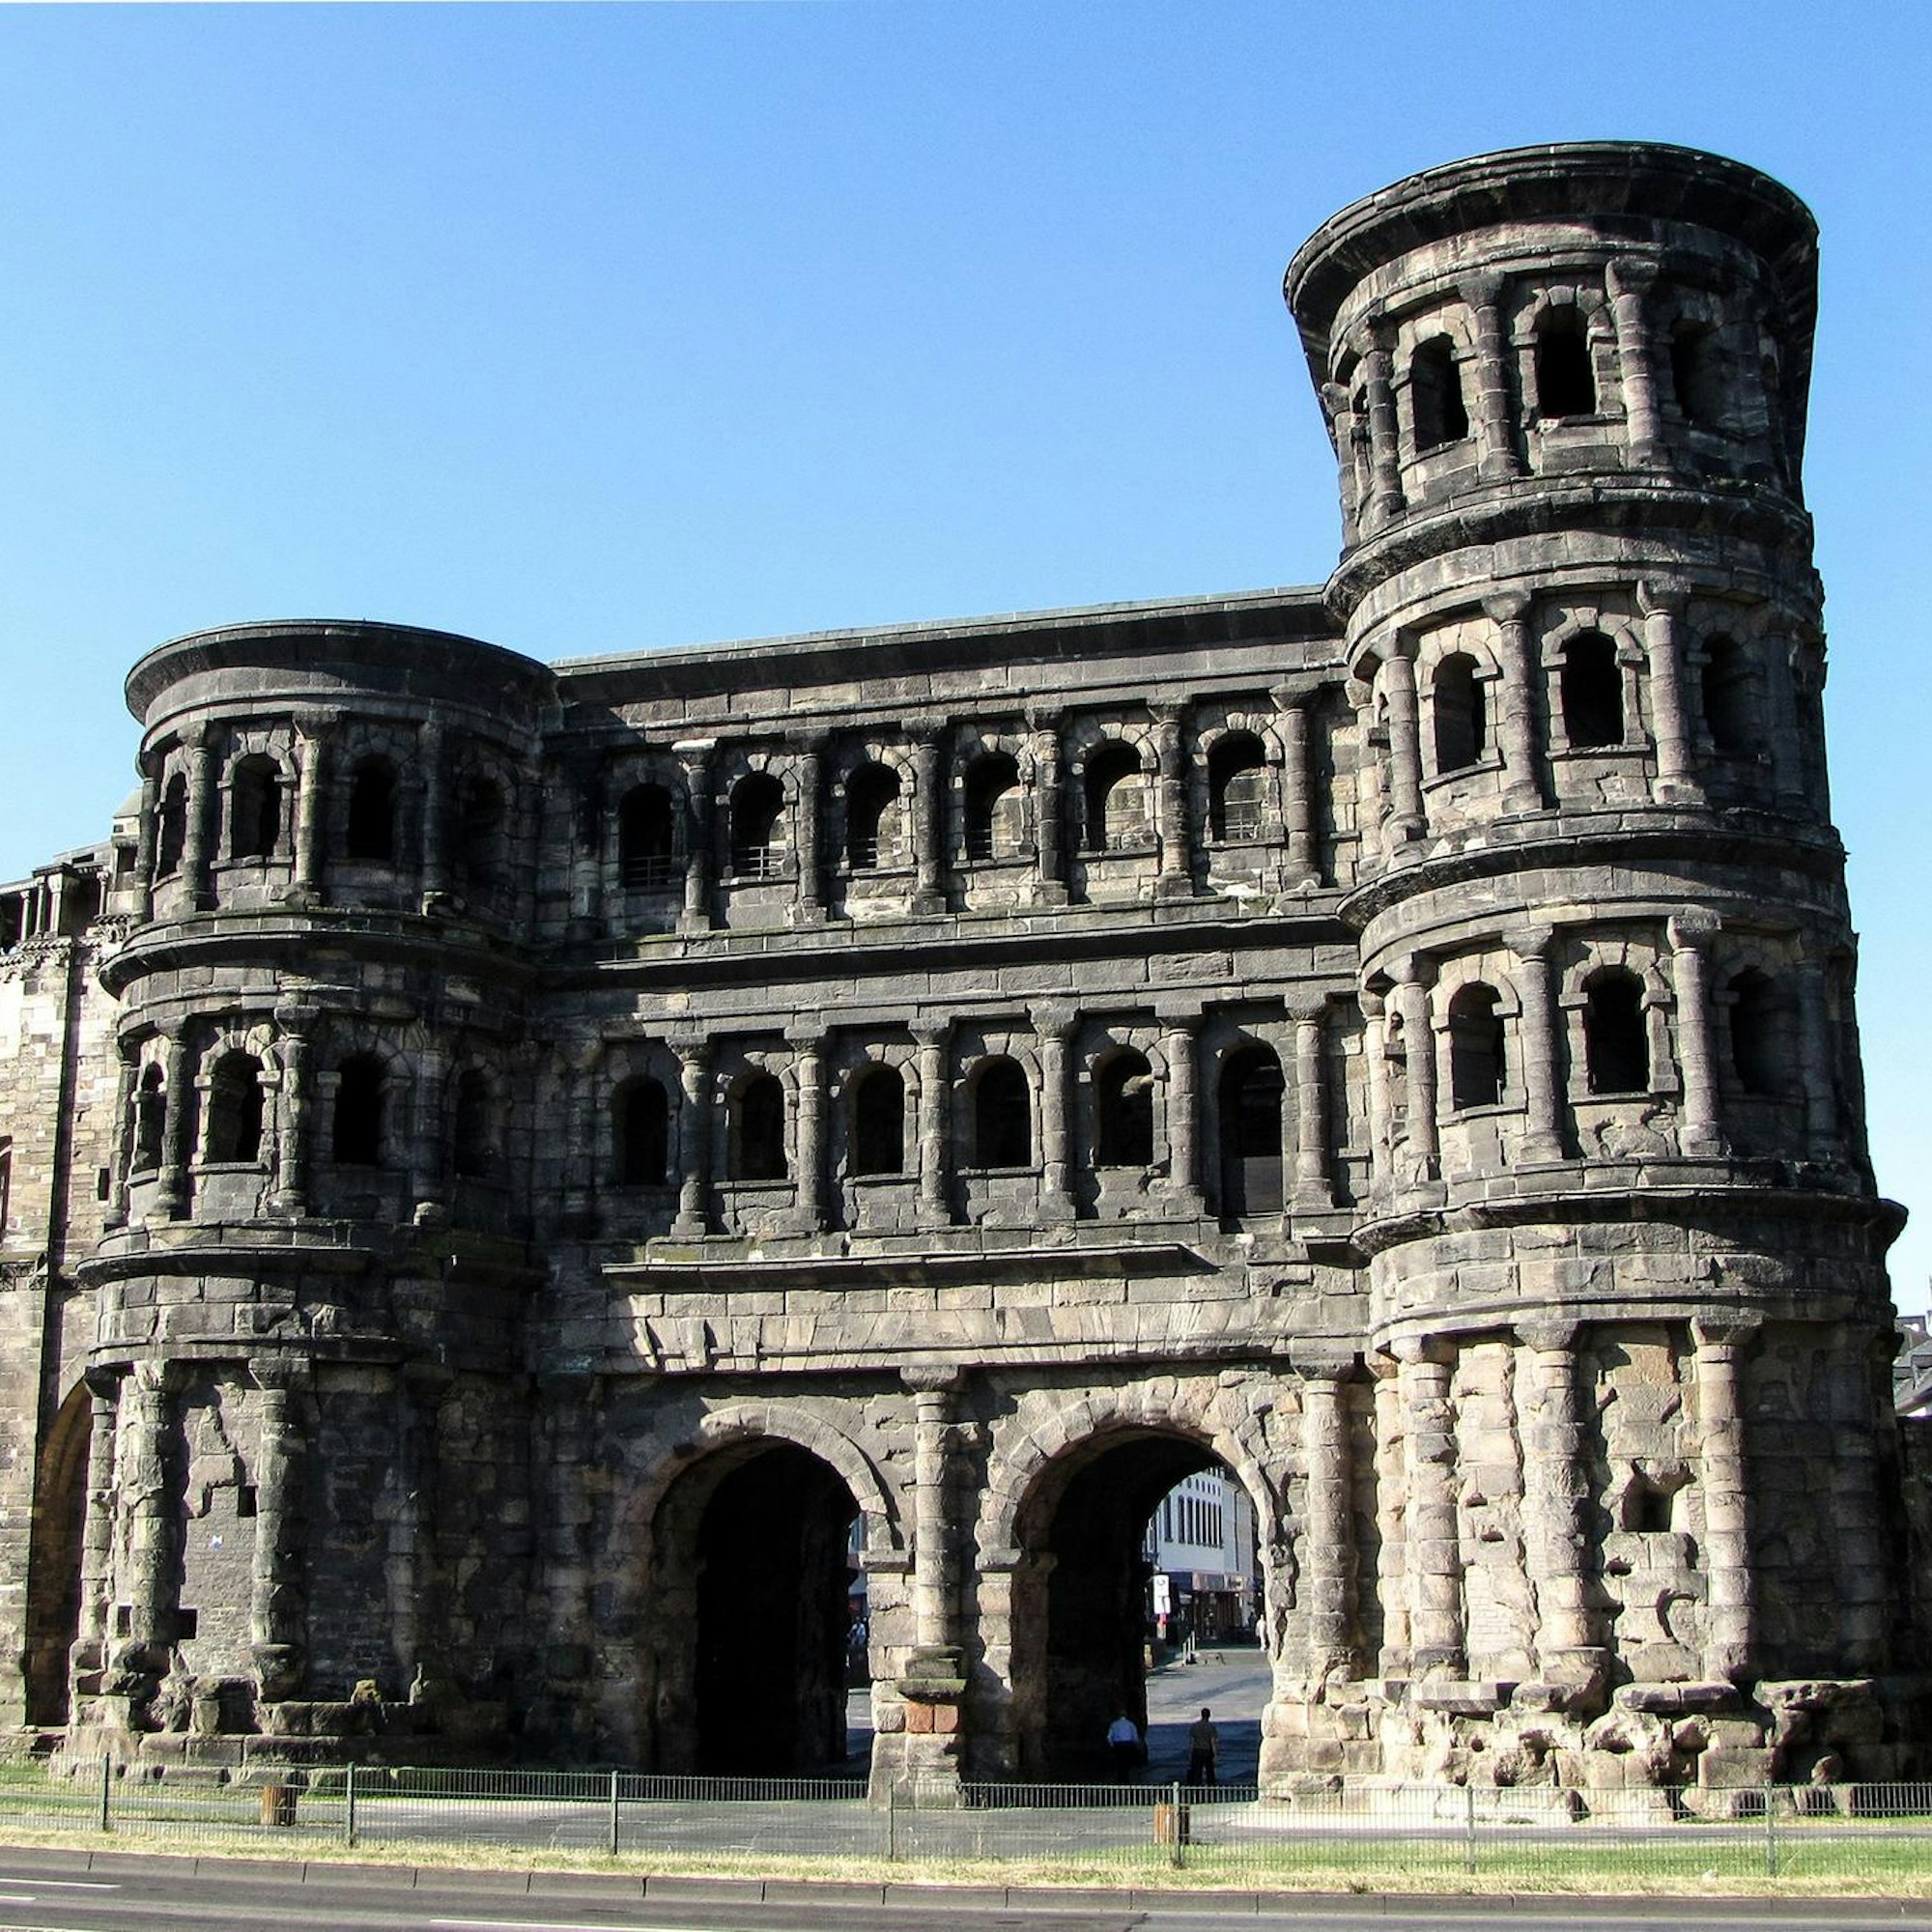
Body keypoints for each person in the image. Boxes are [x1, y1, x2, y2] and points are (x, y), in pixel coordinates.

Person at [1185, 1706, 1218, 1786]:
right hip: (1207, 1751)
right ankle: (1211, 1787)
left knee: (1197, 1771)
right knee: (1210, 1771)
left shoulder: (1195, 1726)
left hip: (1197, 1751)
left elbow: (1192, 1741)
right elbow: (1213, 1741)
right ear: (1209, 1715)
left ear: (1201, 1715)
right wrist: (1215, 1754)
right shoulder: (1211, 1727)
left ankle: (1197, 1787)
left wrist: (1190, 1753)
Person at [1105, 1708, 1141, 1779]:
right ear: (1126, 1715)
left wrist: (1112, 1745)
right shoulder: (1130, 1724)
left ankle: (1120, 1778)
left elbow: (1109, 1737)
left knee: (1119, 1762)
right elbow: (1135, 1736)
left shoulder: (1114, 1724)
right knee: (1127, 1762)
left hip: (1117, 1745)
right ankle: (1125, 1778)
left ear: (1118, 1715)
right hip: (1128, 1745)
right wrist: (1136, 1745)